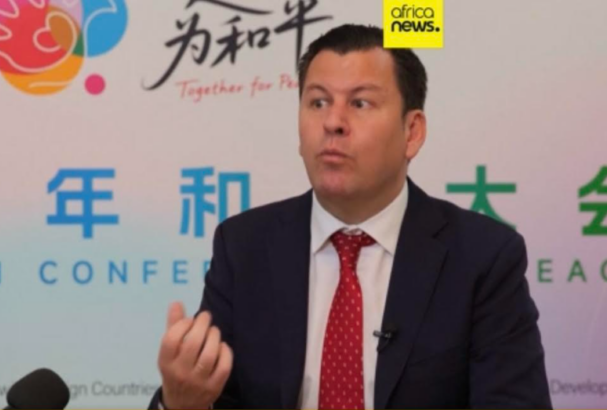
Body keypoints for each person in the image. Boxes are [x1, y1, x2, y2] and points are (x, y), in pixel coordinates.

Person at [149, 24, 551, 409]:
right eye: (318, 102)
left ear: (412, 132)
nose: (333, 122)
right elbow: (215, 395)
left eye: (360, 103)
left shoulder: (483, 257)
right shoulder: (243, 247)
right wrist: (184, 403)